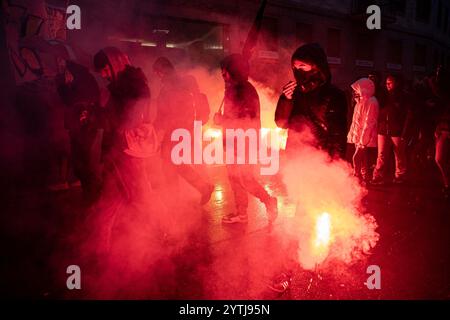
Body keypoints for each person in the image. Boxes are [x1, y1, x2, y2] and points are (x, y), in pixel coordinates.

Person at [214, 54, 278, 225]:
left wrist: (222, 121)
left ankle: (269, 201)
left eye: (225, 70)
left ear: (233, 71)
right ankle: (241, 214)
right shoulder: (233, 89)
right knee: (234, 178)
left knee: (245, 179)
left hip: (244, 143)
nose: (222, 74)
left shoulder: (244, 90)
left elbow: (246, 121)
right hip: (233, 142)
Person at [152, 57, 214, 205]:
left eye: (157, 72)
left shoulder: (169, 86)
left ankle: (176, 201)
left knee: (170, 166)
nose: (157, 76)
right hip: (185, 130)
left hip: (174, 132)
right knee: (175, 165)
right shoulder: (183, 82)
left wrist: (155, 129)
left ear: (161, 71)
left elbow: (165, 113)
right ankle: (199, 189)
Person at [275, 43, 348, 159]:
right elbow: (280, 123)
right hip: (294, 158)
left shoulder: (334, 95)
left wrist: (337, 166)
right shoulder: (294, 93)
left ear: (316, 67)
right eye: (295, 67)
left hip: (321, 160)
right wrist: (286, 100)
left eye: (302, 66)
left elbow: (338, 137)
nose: (298, 70)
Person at [57, 60, 102, 204]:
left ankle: (92, 197)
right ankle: (89, 195)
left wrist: (63, 85)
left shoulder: (84, 82)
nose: (66, 74)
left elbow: (71, 101)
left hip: (85, 129)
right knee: (82, 162)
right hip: (79, 128)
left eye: (67, 70)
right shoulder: (82, 80)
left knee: (86, 163)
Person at [372, 74, 413, 185]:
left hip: (397, 131)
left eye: (390, 83)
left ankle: (400, 175)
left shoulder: (404, 97)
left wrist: (405, 132)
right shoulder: (383, 96)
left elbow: (409, 115)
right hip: (383, 130)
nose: (387, 85)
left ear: (397, 83)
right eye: (386, 83)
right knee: (381, 154)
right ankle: (378, 176)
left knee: (399, 154)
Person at [347, 78, 379, 185]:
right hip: (360, 137)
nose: (355, 92)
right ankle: (364, 178)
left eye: (357, 89)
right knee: (363, 159)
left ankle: (357, 176)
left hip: (365, 137)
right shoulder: (361, 102)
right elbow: (356, 121)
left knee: (356, 157)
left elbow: (369, 122)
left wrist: (363, 140)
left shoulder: (372, 102)